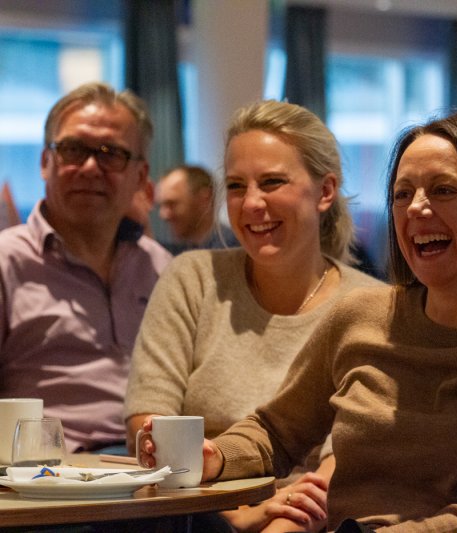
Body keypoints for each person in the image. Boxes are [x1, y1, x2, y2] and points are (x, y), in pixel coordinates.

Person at [140, 111, 457, 531]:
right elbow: (277, 432)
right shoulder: (363, 315)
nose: (416, 208)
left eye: (443, 189)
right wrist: (218, 456)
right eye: (402, 193)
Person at [125, 99, 383, 531]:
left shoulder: (373, 305)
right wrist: (232, 517)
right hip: (190, 514)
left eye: (272, 182)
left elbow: (345, 461)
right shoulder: (192, 278)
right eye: (237, 186)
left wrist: (272, 517)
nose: (251, 204)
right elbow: (150, 424)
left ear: (325, 191)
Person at [0, 82, 172, 453]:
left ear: (140, 178)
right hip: (51, 481)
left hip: (156, 471)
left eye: (111, 154)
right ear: (46, 163)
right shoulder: (7, 263)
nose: (91, 167)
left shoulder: (161, 268)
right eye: (73, 149)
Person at [156, 164, 237, 254]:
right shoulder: (179, 251)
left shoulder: (232, 248)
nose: (163, 215)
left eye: (172, 204)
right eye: (161, 205)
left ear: (204, 199)